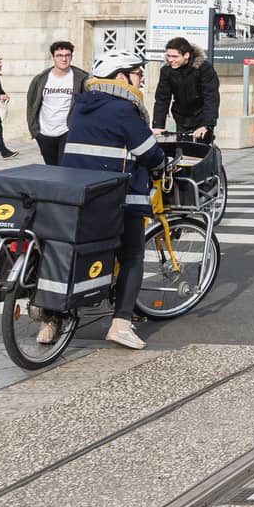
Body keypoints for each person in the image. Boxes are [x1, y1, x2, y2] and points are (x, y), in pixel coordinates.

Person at [59, 51, 166, 351]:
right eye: (137, 73)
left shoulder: (80, 106)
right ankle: (120, 323)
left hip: (79, 196)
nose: (141, 78)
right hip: (119, 198)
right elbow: (149, 153)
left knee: (78, 254)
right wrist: (163, 161)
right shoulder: (123, 109)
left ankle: (50, 320)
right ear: (120, 77)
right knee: (132, 255)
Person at [28, 40, 89, 165]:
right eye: (59, 56)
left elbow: (87, 104)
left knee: (64, 167)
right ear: (53, 57)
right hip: (44, 132)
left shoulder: (81, 78)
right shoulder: (41, 79)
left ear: (71, 57)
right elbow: (31, 104)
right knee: (51, 168)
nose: (64, 59)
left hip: (68, 131)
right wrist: (35, 130)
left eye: (67, 55)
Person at [151, 37, 220, 142]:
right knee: (183, 150)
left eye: (175, 56)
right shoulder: (166, 71)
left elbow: (211, 97)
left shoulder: (204, 68)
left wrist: (207, 125)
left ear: (186, 55)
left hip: (201, 116)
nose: (170, 60)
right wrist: (158, 125)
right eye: (168, 56)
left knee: (201, 150)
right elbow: (162, 98)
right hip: (181, 117)